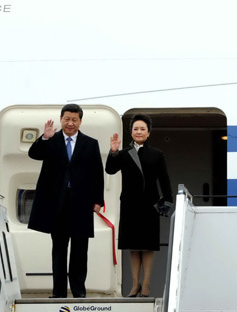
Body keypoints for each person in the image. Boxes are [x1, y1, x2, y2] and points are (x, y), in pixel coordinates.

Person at [27, 103, 104, 298]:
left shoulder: (90, 143)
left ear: (80, 121)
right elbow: (34, 154)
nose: (70, 123)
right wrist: (44, 137)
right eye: (67, 119)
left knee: (80, 249)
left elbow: (97, 173)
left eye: (74, 120)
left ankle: (79, 291)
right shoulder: (51, 140)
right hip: (57, 203)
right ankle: (59, 292)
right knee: (59, 249)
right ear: (61, 119)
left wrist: (98, 200)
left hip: (81, 203)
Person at [105, 114, 173, 297]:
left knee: (148, 246)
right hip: (130, 204)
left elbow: (164, 180)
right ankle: (135, 284)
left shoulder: (157, 154)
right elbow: (110, 169)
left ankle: (146, 284)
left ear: (148, 133)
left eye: (143, 129)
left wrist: (168, 201)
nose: (139, 132)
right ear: (131, 132)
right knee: (133, 246)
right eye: (135, 129)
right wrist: (113, 152)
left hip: (150, 205)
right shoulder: (123, 153)